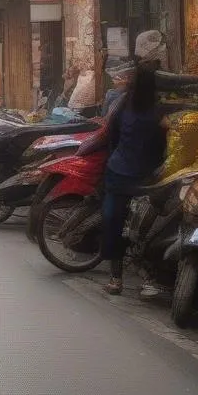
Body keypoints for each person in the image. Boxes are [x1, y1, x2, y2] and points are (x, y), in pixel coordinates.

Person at [78, 30, 170, 298]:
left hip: (133, 174)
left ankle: (125, 277)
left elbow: (113, 137)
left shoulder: (141, 107)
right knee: (121, 223)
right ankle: (125, 277)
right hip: (132, 174)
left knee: (119, 223)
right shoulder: (147, 110)